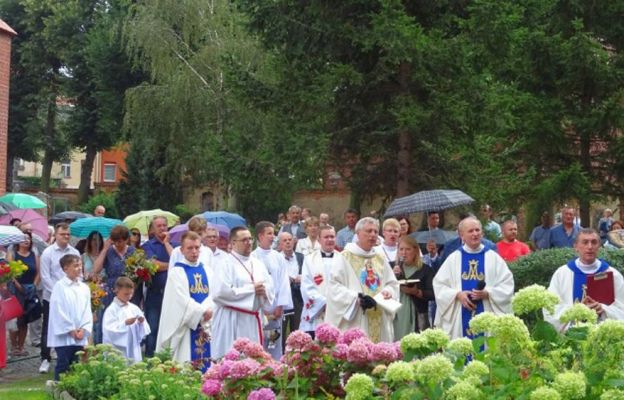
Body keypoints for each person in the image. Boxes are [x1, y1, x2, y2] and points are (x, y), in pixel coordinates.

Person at [433, 217, 514, 339]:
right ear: (462, 235)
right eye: (470, 231)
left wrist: (488, 293)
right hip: (461, 314)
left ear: (482, 233)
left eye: (477, 230)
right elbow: (439, 285)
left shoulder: (493, 258)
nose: (475, 234)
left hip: (488, 312)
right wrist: (457, 294)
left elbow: (507, 284)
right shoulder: (453, 258)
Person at [325, 217, 399, 343]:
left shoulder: (380, 258)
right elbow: (334, 287)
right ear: (358, 233)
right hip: (357, 317)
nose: (373, 235)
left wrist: (388, 292)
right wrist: (356, 298)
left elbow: (392, 283)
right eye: (368, 231)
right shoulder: (345, 257)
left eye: (376, 232)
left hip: (379, 313)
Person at [210, 227, 275, 360]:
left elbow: (270, 285)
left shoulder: (257, 263)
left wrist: (265, 290)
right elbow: (219, 293)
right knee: (232, 359)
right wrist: (252, 290)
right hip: (232, 318)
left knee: (253, 360)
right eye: (244, 240)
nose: (249, 242)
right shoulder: (225, 264)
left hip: (253, 319)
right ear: (233, 243)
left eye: (250, 239)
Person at [544, 229, 624, 332]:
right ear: (576, 246)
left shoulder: (613, 275)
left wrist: (603, 309)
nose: (590, 247)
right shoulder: (562, 274)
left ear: (599, 246)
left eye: (594, 242)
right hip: (571, 340)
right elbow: (551, 310)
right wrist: (577, 311)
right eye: (585, 242)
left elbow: (622, 309)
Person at [156, 232, 213, 371]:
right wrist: (201, 311)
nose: (194, 252)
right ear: (181, 250)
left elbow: (215, 295)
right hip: (187, 327)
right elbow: (179, 301)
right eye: (190, 248)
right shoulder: (177, 272)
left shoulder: (208, 270)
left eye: (197, 248)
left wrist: (209, 309)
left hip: (207, 323)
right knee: (187, 363)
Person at [39, 223, 80, 374]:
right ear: (56, 235)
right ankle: (45, 358)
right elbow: (45, 277)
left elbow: (79, 274)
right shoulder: (48, 253)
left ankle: (68, 356)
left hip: (71, 298)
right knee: (49, 327)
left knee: (70, 325)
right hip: (52, 297)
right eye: (63, 234)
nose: (66, 237)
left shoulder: (74, 252)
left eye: (68, 234)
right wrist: (59, 293)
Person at [48, 254, 92, 381]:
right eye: (75, 266)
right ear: (65, 268)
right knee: (63, 364)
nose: (79, 268)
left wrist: (84, 328)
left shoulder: (84, 287)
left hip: (79, 333)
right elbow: (58, 310)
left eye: (80, 265)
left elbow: (86, 310)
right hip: (65, 334)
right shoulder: (59, 287)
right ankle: (58, 391)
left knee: (75, 365)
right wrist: (70, 329)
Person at [251, 221, 292, 359]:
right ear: (260, 235)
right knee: (259, 343)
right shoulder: (252, 257)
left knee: (274, 343)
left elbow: (283, 283)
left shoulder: (278, 257)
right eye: (269, 233)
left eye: (273, 233)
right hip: (260, 309)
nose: (273, 236)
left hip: (276, 309)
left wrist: (280, 306)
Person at [142, 216, 176, 357]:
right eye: (159, 226)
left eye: (164, 225)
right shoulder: (147, 246)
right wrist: (172, 265)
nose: (162, 228)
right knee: (153, 327)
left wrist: (168, 245)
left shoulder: (175, 244)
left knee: (171, 328)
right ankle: (150, 358)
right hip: (155, 293)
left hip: (173, 294)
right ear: (153, 229)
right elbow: (153, 265)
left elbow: (179, 260)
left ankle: (168, 357)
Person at [393, 235, 434, 339]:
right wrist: (391, 276)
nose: (404, 253)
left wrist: (416, 292)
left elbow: (432, 294)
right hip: (396, 312)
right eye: (401, 249)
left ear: (415, 251)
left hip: (417, 313)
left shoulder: (425, 270)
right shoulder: (391, 267)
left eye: (408, 249)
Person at [300, 225, 338, 336]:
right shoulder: (309, 259)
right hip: (316, 314)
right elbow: (306, 286)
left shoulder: (343, 259)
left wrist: (335, 303)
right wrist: (324, 303)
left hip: (337, 311)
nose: (330, 240)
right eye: (326, 237)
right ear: (319, 239)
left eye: (332, 236)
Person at [7, 232, 40, 357]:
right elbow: (9, 272)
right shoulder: (13, 254)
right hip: (15, 290)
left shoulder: (34, 255)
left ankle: (21, 346)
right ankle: (13, 346)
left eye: (28, 238)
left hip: (29, 289)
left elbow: (38, 272)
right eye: (23, 238)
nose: (26, 240)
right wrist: (18, 286)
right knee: (14, 319)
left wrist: (34, 285)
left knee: (25, 319)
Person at [102, 277, 150, 363]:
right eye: (126, 294)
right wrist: (125, 324)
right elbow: (109, 330)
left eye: (131, 294)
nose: (129, 297)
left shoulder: (134, 308)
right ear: (117, 291)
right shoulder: (111, 310)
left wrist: (141, 322)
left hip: (133, 346)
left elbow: (143, 331)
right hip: (118, 349)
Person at [278, 232, 304, 344]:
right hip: (283, 297)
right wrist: (284, 279)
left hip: (298, 296)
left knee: (297, 328)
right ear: (280, 244)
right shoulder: (276, 258)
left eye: (290, 240)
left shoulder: (301, 257)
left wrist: (302, 277)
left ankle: (297, 354)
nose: (288, 242)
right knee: (281, 328)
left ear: (294, 242)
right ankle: (281, 354)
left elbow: (307, 274)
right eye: (285, 240)